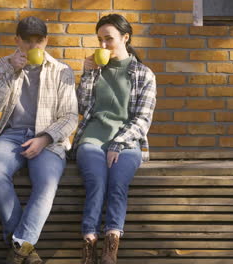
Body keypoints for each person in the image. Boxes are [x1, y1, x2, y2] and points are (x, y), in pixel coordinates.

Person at [0, 16, 78, 264]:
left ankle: (18, 248)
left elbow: (69, 117)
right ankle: (25, 247)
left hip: (48, 138)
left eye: (39, 41)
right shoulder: (4, 65)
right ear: (17, 41)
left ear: (46, 41)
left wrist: (45, 138)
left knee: (47, 183)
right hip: (11, 136)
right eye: (27, 41)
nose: (33, 47)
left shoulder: (62, 71)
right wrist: (12, 71)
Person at [71, 14, 157, 264]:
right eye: (100, 40)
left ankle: (111, 246)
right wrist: (87, 75)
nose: (103, 46)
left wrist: (118, 143)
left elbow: (143, 119)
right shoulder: (97, 70)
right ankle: (89, 243)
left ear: (125, 38)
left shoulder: (144, 74)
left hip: (129, 143)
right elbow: (83, 107)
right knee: (96, 183)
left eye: (108, 39)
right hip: (92, 140)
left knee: (118, 184)